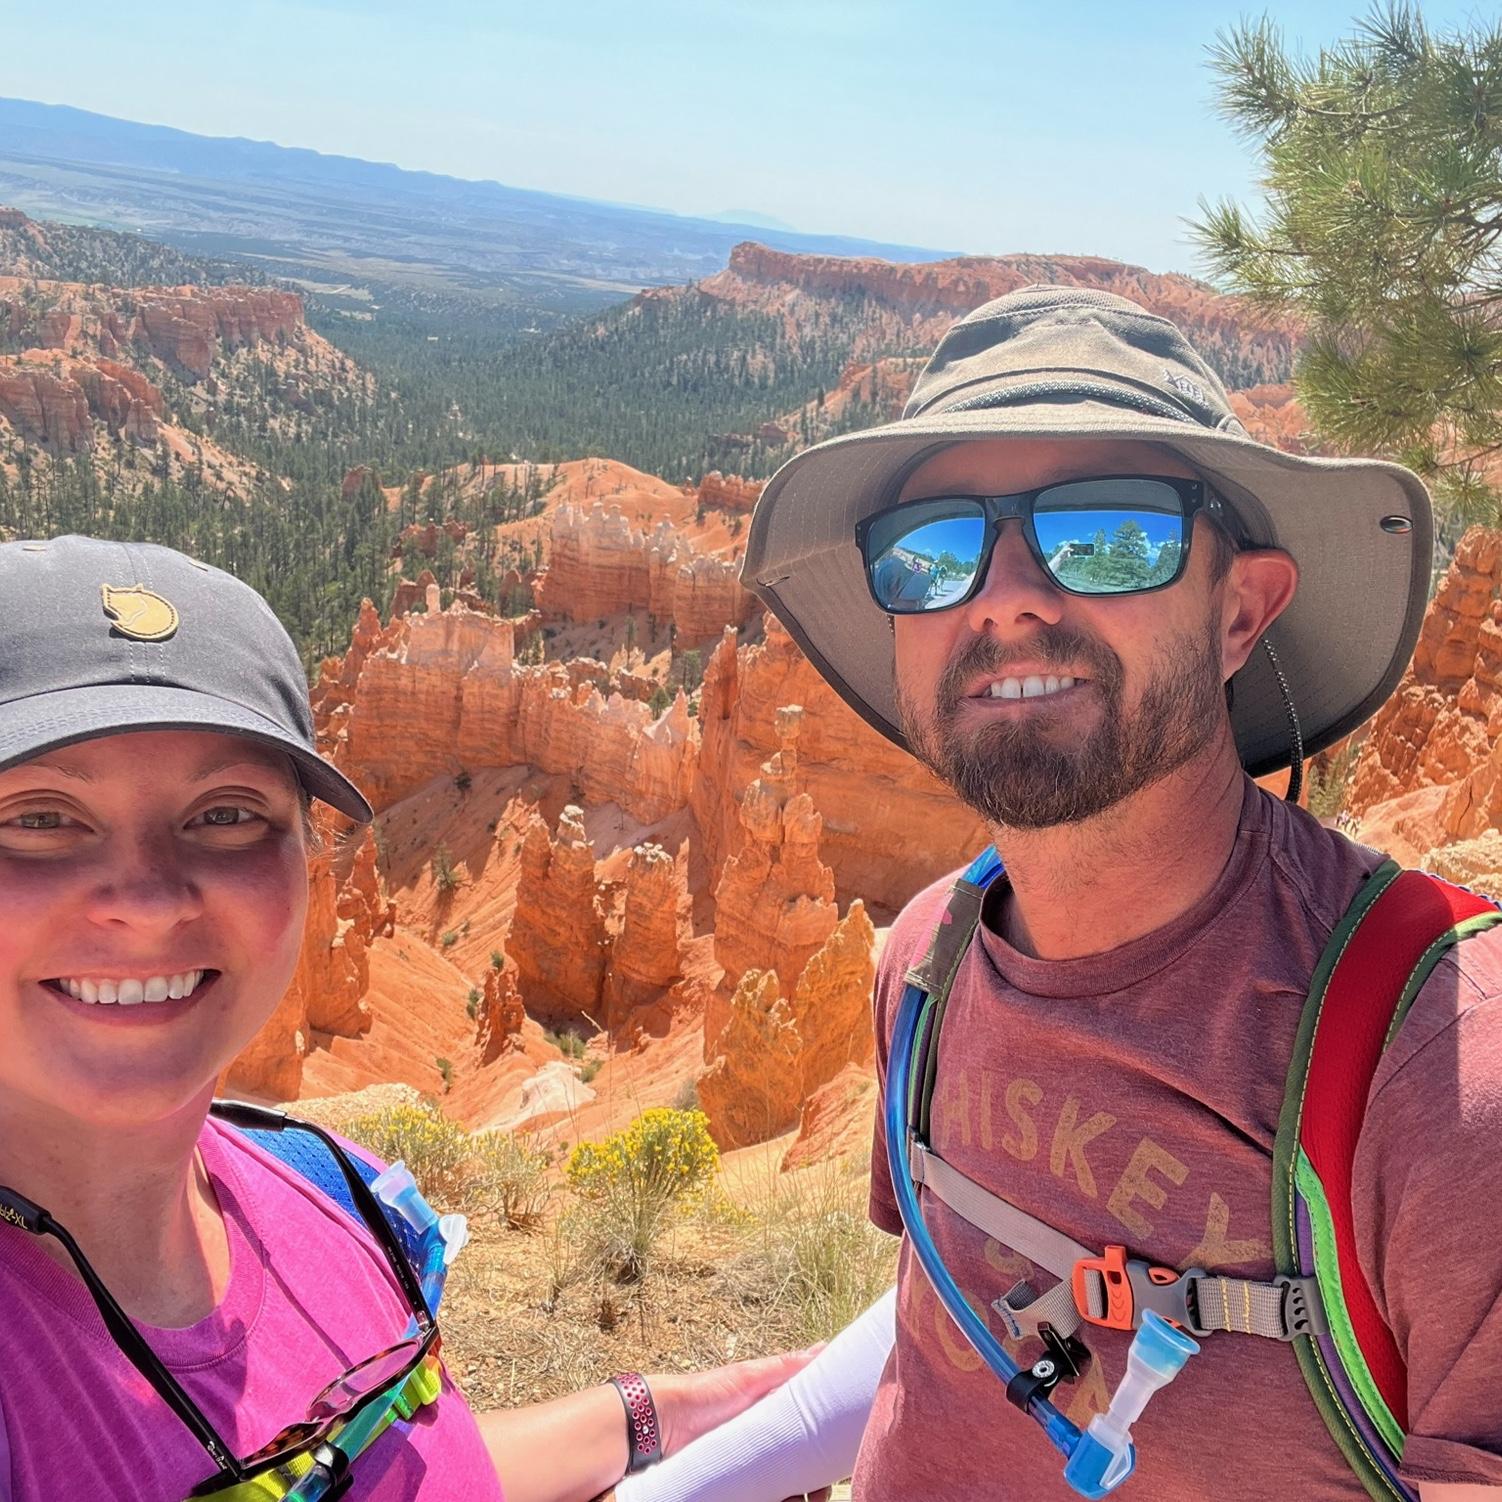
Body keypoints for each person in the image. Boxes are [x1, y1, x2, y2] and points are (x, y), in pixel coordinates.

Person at [732, 285, 1502, 1500]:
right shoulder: (926, 964)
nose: (1004, 595)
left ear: (1240, 609)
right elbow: (934, 1334)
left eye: (1104, 532)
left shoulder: (1443, 1077)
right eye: (930, 551)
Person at [0, 534, 821, 1502]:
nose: (143, 896)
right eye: (39, 816)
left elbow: (412, 1463)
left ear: (305, 861)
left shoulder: (338, 1198)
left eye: (224, 814)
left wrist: (652, 1419)